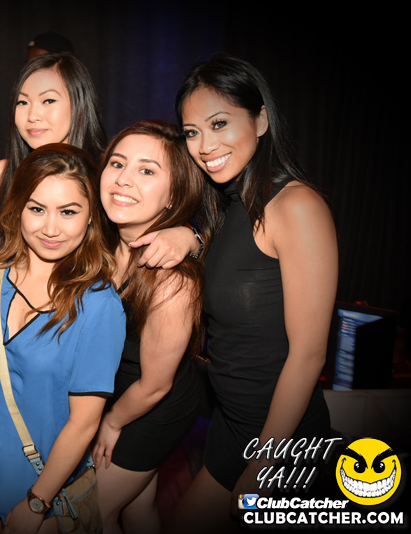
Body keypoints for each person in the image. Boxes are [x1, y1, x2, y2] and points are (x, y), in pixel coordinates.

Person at [168, 54, 337, 533]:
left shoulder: (297, 205)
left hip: (282, 439)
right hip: (234, 426)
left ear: (261, 119)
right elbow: (239, 272)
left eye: (219, 123)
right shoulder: (233, 206)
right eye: (192, 132)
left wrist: (266, 463)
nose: (205, 146)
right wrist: (193, 238)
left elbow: (309, 354)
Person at [0, 144, 126, 533]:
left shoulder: (98, 305)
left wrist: (37, 501)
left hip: (41, 485)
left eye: (68, 212)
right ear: (17, 208)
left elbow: (84, 423)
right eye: (37, 209)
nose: (51, 229)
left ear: (91, 216)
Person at [0, 53, 197, 277]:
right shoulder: (2, 175)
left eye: (48, 100)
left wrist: (191, 237)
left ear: (78, 104)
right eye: (22, 102)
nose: (32, 115)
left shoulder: (107, 176)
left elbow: (153, 224)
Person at [91, 121, 205, 534]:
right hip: (121, 392)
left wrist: (111, 422)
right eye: (117, 163)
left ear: (173, 194)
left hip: (153, 407)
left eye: (147, 170)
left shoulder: (173, 280)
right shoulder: (103, 244)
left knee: (95, 513)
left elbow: (156, 385)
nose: (123, 179)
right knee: (138, 509)